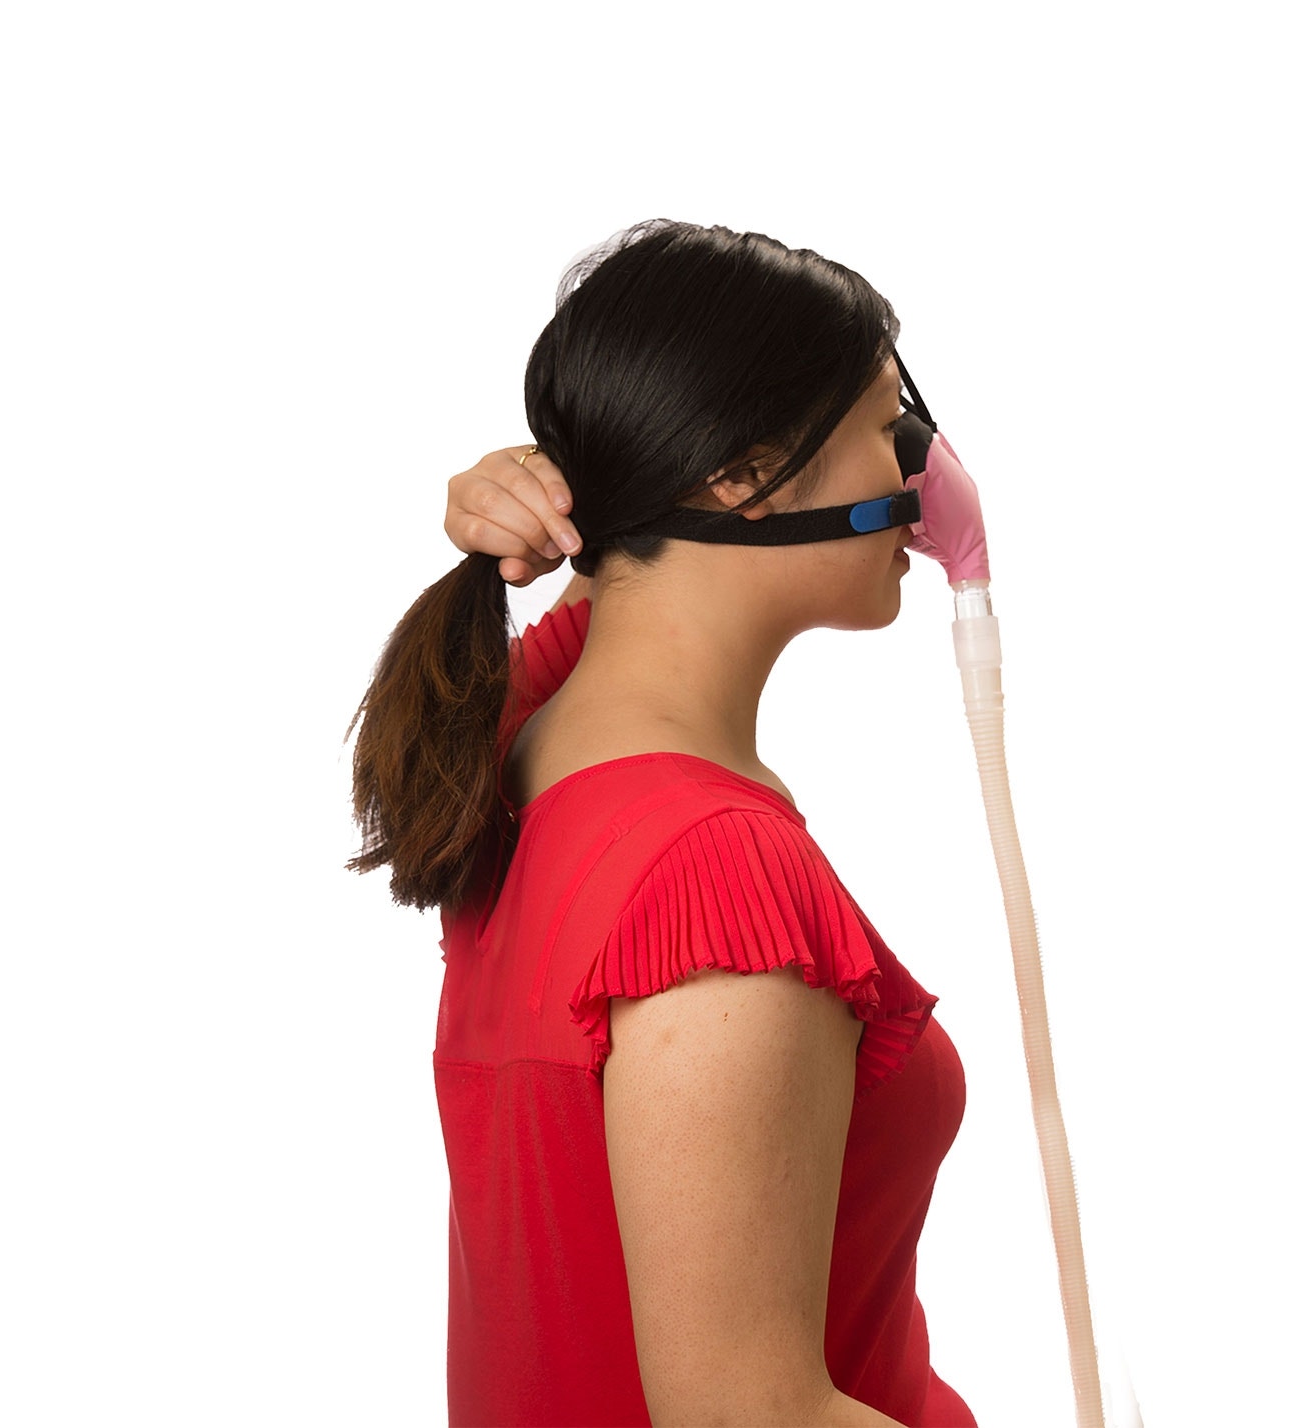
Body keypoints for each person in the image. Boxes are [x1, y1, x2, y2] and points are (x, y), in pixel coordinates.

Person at [348, 220, 976, 1427]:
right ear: (743, 475)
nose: (920, 469)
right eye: (884, 424)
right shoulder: (711, 875)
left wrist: (566, 506)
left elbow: (609, 612)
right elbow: (753, 1414)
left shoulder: (523, 754)